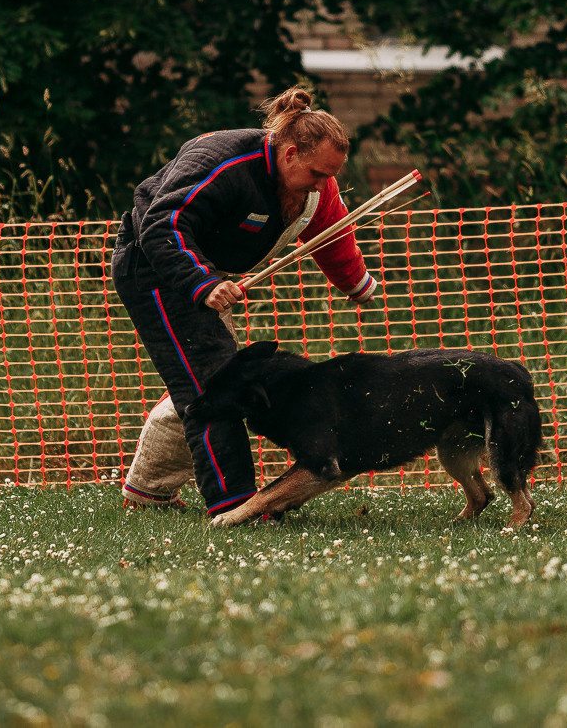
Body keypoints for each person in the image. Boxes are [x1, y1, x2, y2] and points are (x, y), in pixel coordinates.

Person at [112, 86, 379, 518]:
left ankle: (151, 495)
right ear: (290, 154)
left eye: (330, 176)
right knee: (213, 387)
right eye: (317, 174)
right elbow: (163, 225)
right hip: (153, 269)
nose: (323, 185)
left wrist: (357, 285)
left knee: (204, 381)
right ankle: (234, 505)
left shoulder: (307, 182)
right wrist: (202, 283)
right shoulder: (222, 161)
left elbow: (332, 228)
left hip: (196, 271)